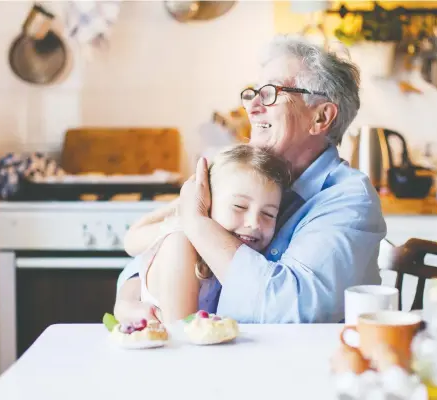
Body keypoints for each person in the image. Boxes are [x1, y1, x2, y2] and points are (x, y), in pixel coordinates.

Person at [114, 34, 387, 324]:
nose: (252, 106)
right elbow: (154, 255)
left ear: (320, 117)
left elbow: (289, 311)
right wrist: (129, 300)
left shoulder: (348, 199)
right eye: (253, 92)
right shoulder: (243, 177)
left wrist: (198, 224)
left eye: (271, 93)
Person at [122, 144, 291, 323]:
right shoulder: (181, 243)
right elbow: (183, 332)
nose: (254, 223)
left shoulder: (246, 255)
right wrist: (183, 205)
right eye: (239, 206)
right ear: (207, 202)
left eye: (268, 214)